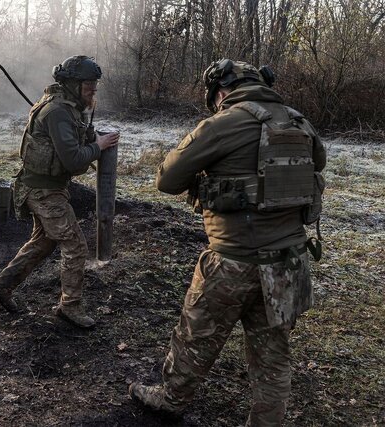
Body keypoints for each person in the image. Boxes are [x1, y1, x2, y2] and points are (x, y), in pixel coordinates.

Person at [128, 59, 326, 426]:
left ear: (220, 92)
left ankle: (171, 400)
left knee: (194, 337)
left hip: (232, 261)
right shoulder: (300, 122)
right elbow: (318, 162)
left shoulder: (224, 123)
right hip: (288, 262)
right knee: (273, 355)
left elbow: (167, 179)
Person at [0, 55, 120, 328]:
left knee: (43, 242)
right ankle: (70, 306)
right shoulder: (57, 111)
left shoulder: (66, 107)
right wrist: (99, 146)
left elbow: (70, 142)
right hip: (43, 192)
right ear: (71, 84)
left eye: (94, 85)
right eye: (88, 85)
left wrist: (91, 138)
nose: (93, 90)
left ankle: (2, 284)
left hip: (45, 187)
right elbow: (72, 159)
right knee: (76, 245)